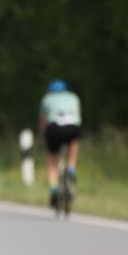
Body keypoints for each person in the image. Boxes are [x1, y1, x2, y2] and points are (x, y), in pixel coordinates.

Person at [38, 79, 82, 208]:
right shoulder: (74, 97)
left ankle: (53, 190)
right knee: (73, 143)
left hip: (54, 128)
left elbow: (43, 122)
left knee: (52, 158)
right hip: (73, 127)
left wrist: (44, 138)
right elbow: (78, 116)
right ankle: (71, 169)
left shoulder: (47, 99)